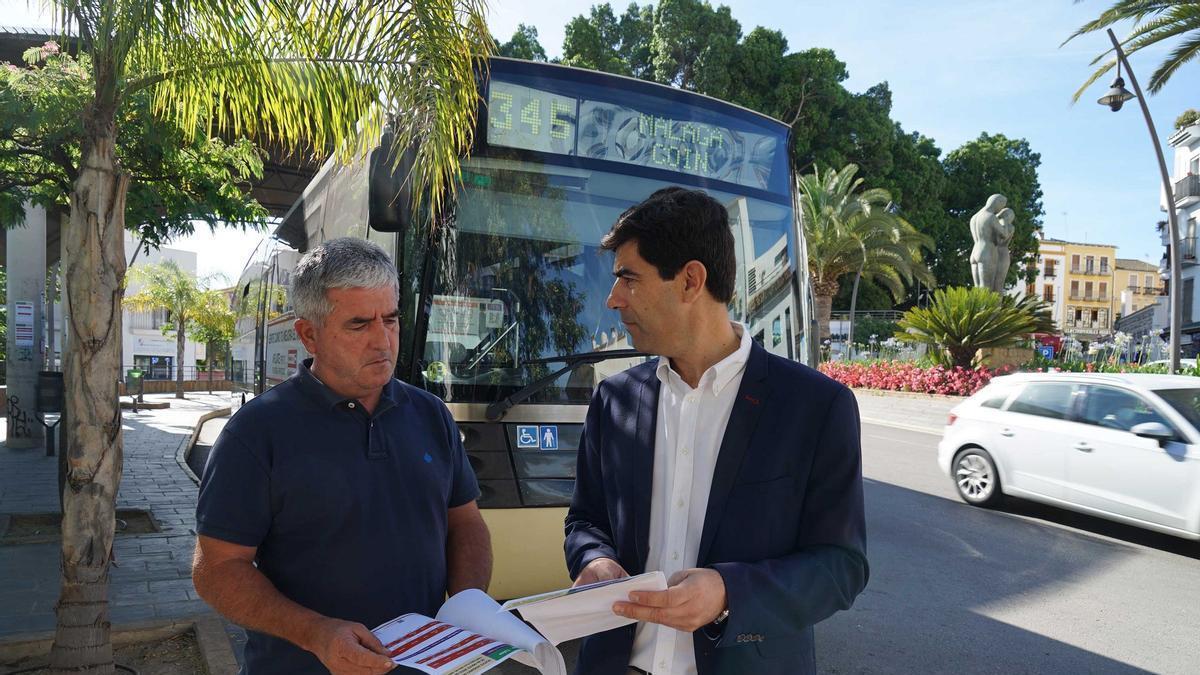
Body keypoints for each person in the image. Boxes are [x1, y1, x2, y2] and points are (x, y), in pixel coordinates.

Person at [564, 187, 869, 675]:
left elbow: (840, 567)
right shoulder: (614, 399)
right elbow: (585, 521)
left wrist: (730, 592)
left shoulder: (816, 407)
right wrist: (593, 560)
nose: (613, 299)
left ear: (690, 280)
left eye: (628, 278)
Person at [192, 237, 491, 674]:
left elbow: (465, 522)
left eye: (390, 319)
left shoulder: (431, 415)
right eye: (358, 325)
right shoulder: (256, 433)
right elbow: (216, 569)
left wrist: (467, 611)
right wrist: (316, 633)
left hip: (423, 666)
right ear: (308, 334)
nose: (382, 341)